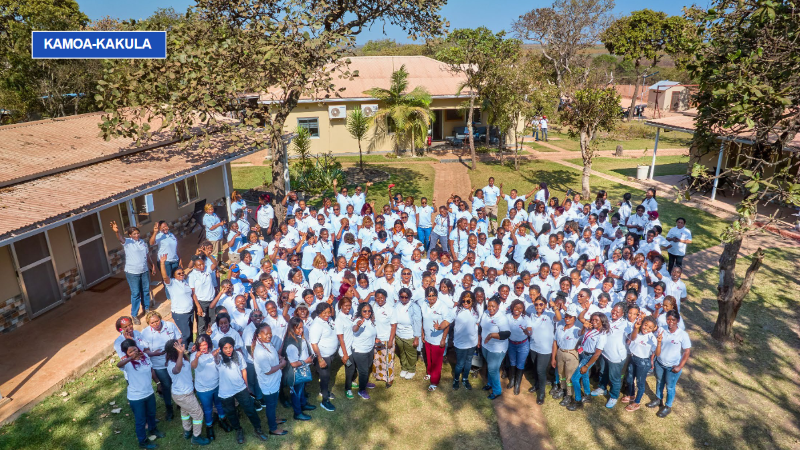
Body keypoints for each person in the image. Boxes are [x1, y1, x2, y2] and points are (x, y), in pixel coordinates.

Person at [217, 336, 268, 443]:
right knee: (231, 412)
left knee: (250, 408)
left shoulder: (238, 355)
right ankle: (238, 430)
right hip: (225, 392)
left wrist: (246, 386)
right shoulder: (218, 358)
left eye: (230, 347)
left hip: (240, 388)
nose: (228, 350)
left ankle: (258, 429)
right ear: (221, 349)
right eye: (225, 348)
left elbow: (243, 370)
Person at [117, 339, 165, 449]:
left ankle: (153, 430)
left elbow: (151, 370)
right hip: (136, 397)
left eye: (135, 349)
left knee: (152, 414)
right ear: (126, 354)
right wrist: (130, 358)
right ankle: (142, 441)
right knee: (140, 420)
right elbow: (118, 365)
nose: (134, 352)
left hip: (149, 393)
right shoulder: (126, 363)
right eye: (130, 352)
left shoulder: (145, 357)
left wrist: (157, 383)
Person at [164, 339, 211, 445]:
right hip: (183, 395)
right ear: (174, 350)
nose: (182, 345)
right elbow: (178, 369)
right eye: (179, 346)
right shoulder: (171, 363)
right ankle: (196, 437)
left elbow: (186, 369)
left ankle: (187, 430)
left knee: (185, 411)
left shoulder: (182, 358)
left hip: (185, 392)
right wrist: (181, 353)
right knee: (198, 414)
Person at [648, 310, 691, 418]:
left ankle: (668, 406)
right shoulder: (662, 330)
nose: (670, 322)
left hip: (672, 367)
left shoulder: (682, 335)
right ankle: (658, 399)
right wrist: (653, 359)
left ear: (678, 321)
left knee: (670, 387)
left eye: (673, 320)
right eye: (668, 319)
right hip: (660, 363)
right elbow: (656, 345)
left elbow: (686, 351)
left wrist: (680, 366)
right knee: (659, 381)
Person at [110, 221, 155, 324]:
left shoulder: (142, 242)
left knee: (145, 290)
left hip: (144, 270)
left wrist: (152, 266)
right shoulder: (128, 242)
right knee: (136, 293)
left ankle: (146, 308)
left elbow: (147, 255)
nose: (137, 235)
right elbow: (120, 238)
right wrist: (117, 232)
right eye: (134, 234)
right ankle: (134, 315)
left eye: (137, 233)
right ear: (130, 235)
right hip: (132, 272)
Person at [140, 310, 180, 421]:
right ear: (148, 323)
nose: (156, 324)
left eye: (157, 321)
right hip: (159, 364)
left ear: (160, 318)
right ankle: (169, 408)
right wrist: (154, 353)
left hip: (173, 360)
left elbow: (179, 338)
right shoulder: (145, 333)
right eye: (152, 323)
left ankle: (179, 402)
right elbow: (145, 351)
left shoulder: (170, 326)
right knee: (166, 385)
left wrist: (175, 349)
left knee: (176, 382)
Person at [251, 323, 289, 436]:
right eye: (266, 334)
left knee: (273, 403)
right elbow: (267, 370)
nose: (269, 335)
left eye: (270, 333)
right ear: (259, 335)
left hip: (274, 381)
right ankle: (273, 428)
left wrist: (280, 358)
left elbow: (274, 354)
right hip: (268, 383)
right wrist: (282, 365)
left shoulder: (267, 343)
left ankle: (274, 419)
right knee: (271, 406)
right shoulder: (260, 351)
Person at [191, 334, 231, 442]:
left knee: (219, 405)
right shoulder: (195, 355)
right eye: (201, 345)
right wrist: (197, 357)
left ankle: (223, 420)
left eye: (205, 345)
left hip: (216, 386)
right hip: (203, 390)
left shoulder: (214, 352)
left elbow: (219, 364)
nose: (203, 347)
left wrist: (215, 356)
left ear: (208, 344)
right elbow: (193, 366)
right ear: (197, 346)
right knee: (207, 409)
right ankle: (209, 427)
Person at [567, 310, 609, 411]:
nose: (593, 321)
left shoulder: (602, 335)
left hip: (589, 358)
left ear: (602, 322)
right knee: (584, 376)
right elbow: (584, 339)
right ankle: (587, 394)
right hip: (583, 354)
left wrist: (586, 366)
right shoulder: (591, 329)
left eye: (596, 320)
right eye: (592, 319)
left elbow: (597, 354)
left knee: (575, 378)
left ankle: (578, 401)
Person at [623, 315, 662, 413]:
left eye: (650, 327)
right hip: (633, 358)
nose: (646, 328)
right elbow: (632, 338)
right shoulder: (637, 333)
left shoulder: (652, 338)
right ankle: (632, 395)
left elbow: (657, 353)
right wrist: (636, 328)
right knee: (629, 378)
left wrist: (659, 343)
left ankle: (636, 402)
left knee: (640, 383)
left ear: (654, 329)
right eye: (645, 325)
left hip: (643, 362)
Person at [160, 255, 199, 347]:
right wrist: (162, 263)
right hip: (180, 313)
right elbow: (165, 277)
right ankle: (179, 350)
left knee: (190, 334)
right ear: (174, 275)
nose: (182, 274)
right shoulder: (172, 283)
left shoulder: (185, 282)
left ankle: (189, 349)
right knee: (186, 334)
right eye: (179, 274)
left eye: (182, 273)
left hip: (189, 311)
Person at [420, 287, 454, 391]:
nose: (431, 298)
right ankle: (429, 373)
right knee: (429, 358)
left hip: (438, 339)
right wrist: (422, 333)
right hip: (428, 338)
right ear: (426, 297)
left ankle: (434, 381)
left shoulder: (442, 306)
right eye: (429, 296)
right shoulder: (424, 304)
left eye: (433, 295)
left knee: (436, 361)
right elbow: (423, 319)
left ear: (437, 295)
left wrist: (443, 337)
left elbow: (447, 323)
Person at [282, 317, 316, 420]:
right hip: (295, 372)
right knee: (296, 392)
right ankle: (297, 413)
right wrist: (306, 361)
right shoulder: (291, 344)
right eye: (299, 328)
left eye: (302, 327)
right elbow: (293, 363)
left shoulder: (299, 337)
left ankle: (303, 404)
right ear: (292, 328)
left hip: (302, 369)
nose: (301, 330)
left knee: (301, 389)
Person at [309, 303, 339, 412]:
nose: (327, 314)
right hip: (322, 357)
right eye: (324, 313)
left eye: (329, 312)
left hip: (330, 355)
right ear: (319, 313)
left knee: (327, 376)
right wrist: (320, 359)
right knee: (325, 378)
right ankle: (325, 401)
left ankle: (323, 392)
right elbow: (314, 344)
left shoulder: (328, 319)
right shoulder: (316, 325)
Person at [527, 296, 557, 404]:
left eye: (541, 304)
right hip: (534, 346)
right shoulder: (532, 316)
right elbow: (530, 328)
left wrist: (555, 308)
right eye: (536, 304)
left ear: (545, 305)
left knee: (540, 370)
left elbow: (558, 318)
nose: (538, 306)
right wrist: (527, 331)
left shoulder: (549, 314)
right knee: (535, 368)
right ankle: (536, 385)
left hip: (545, 349)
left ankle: (542, 393)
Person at [481, 296, 511, 400]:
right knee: (490, 366)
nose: (491, 308)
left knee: (492, 369)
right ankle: (489, 383)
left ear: (498, 306)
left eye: (493, 306)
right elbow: (481, 326)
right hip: (485, 345)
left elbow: (506, 334)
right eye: (489, 306)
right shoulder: (485, 313)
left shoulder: (501, 317)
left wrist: (491, 335)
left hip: (497, 348)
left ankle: (497, 391)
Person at [350, 302, 378, 399]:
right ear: (360, 311)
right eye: (364, 311)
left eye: (369, 311)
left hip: (369, 349)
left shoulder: (370, 320)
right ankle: (361, 390)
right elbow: (354, 329)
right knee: (363, 371)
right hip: (360, 351)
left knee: (367, 367)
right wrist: (358, 325)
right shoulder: (358, 320)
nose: (367, 313)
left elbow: (371, 332)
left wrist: (375, 340)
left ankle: (365, 382)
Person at [452, 291, 480, 391]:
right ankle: (456, 380)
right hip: (460, 343)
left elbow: (477, 324)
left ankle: (465, 379)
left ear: (472, 300)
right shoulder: (457, 310)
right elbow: (448, 320)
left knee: (468, 362)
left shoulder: (476, 310)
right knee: (460, 363)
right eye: (463, 300)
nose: (466, 303)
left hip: (472, 342)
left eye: (468, 300)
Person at [371, 289, 398, 388]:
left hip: (387, 338)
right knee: (378, 359)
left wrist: (391, 340)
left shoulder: (390, 309)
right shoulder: (373, 307)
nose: (379, 299)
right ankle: (380, 376)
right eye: (377, 297)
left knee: (388, 360)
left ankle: (389, 379)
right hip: (376, 338)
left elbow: (394, 326)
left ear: (385, 298)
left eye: (381, 297)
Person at [395, 287, 422, 380]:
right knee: (402, 352)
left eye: (406, 297)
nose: (404, 299)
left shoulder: (414, 307)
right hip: (398, 334)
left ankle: (411, 369)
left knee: (411, 354)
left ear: (410, 297)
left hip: (409, 335)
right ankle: (404, 367)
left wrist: (417, 337)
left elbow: (418, 322)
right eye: (401, 297)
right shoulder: (397, 305)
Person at [150, 221, 181, 299]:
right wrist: (155, 232)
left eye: (166, 226)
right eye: (162, 227)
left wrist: (179, 259)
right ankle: (170, 297)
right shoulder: (159, 236)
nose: (165, 228)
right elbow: (151, 243)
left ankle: (176, 293)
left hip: (175, 260)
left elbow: (176, 248)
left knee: (175, 277)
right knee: (167, 278)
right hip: (165, 261)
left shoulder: (171, 235)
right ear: (159, 228)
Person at [506, 299, 529, 395]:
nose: (517, 309)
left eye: (520, 308)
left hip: (523, 345)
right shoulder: (507, 317)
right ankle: (512, 380)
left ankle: (517, 384)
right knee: (512, 363)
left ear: (523, 309)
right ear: (512, 307)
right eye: (515, 307)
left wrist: (527, 332)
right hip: (511, 344)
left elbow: (530, 332)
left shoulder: (526, 318)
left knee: (520, 364)